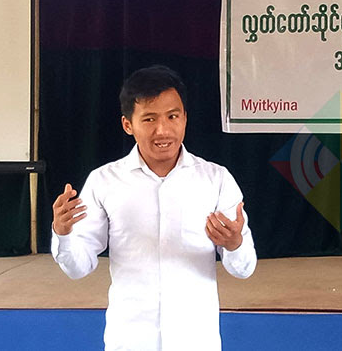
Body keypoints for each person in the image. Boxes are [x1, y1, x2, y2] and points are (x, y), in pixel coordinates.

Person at [51, 65, 256, 351]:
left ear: (185, 118)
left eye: (173, 116)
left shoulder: (215, 180)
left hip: (195, 340)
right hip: (129, 339)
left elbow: (244, 269)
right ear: (127, 125)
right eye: (149, 119)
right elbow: (78, 267)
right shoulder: (104, 181)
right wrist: (63, 234)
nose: (163, 130)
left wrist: (234, 244)